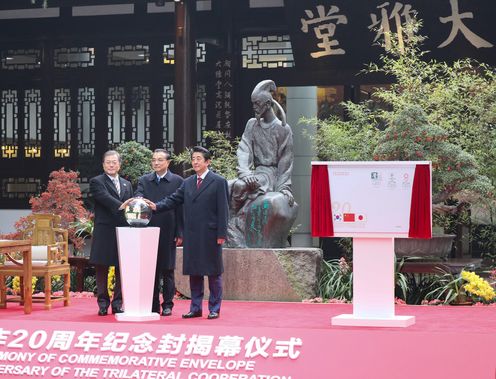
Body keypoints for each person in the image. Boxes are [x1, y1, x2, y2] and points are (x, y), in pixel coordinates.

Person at [147, 146, 229, 320]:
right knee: (195, 273)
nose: (196, 162)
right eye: (193, 159)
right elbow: (174, 199)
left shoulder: (218, 181)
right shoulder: (188, 182)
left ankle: (214, 308)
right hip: (192, 235)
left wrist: (221, 233)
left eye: (199, 158)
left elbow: (223, 209)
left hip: (211, 235)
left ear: (208, 162)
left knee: (213, 273)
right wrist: (156, 207)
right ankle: (196, 307)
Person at [228, 79, 296, 248]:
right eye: (253, 104)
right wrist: (245, 173)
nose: (255, 107)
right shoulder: (252, 125)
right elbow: (244, 150)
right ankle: (230, 223)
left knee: (239, 187)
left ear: (267, 104)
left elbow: (285, 161)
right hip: (255, 173)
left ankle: (234, 221)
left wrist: (283, 188)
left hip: (270, 175)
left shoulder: (282, 128)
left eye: (257, 104)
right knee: (229, 184)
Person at [135, 149, 184, 317]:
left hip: (169, 229)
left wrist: (180, 232)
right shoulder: (144, 180)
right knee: (151, 270)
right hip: (148, 231)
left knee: (168, 269)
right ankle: (153, 304)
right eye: (154, 160)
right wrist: (140, 200)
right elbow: (138, 198)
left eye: (160, 160)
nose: (156, 163)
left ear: (168, 162)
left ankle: (168, 304)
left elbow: (180, 208)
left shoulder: (177, 181)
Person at [89, 150, 133, 316]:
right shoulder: (96, 182)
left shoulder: (126, 184)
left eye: (114, 162)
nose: (111, 165)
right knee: (102, 267)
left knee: (122, 267)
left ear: (119, 165)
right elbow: (104, 198)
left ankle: (117, 303)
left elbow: (130, 205)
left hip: (123, 231)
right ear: (103, 164)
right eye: (108, 162)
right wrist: (123, 205)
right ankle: (102, 303)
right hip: (104, 230)